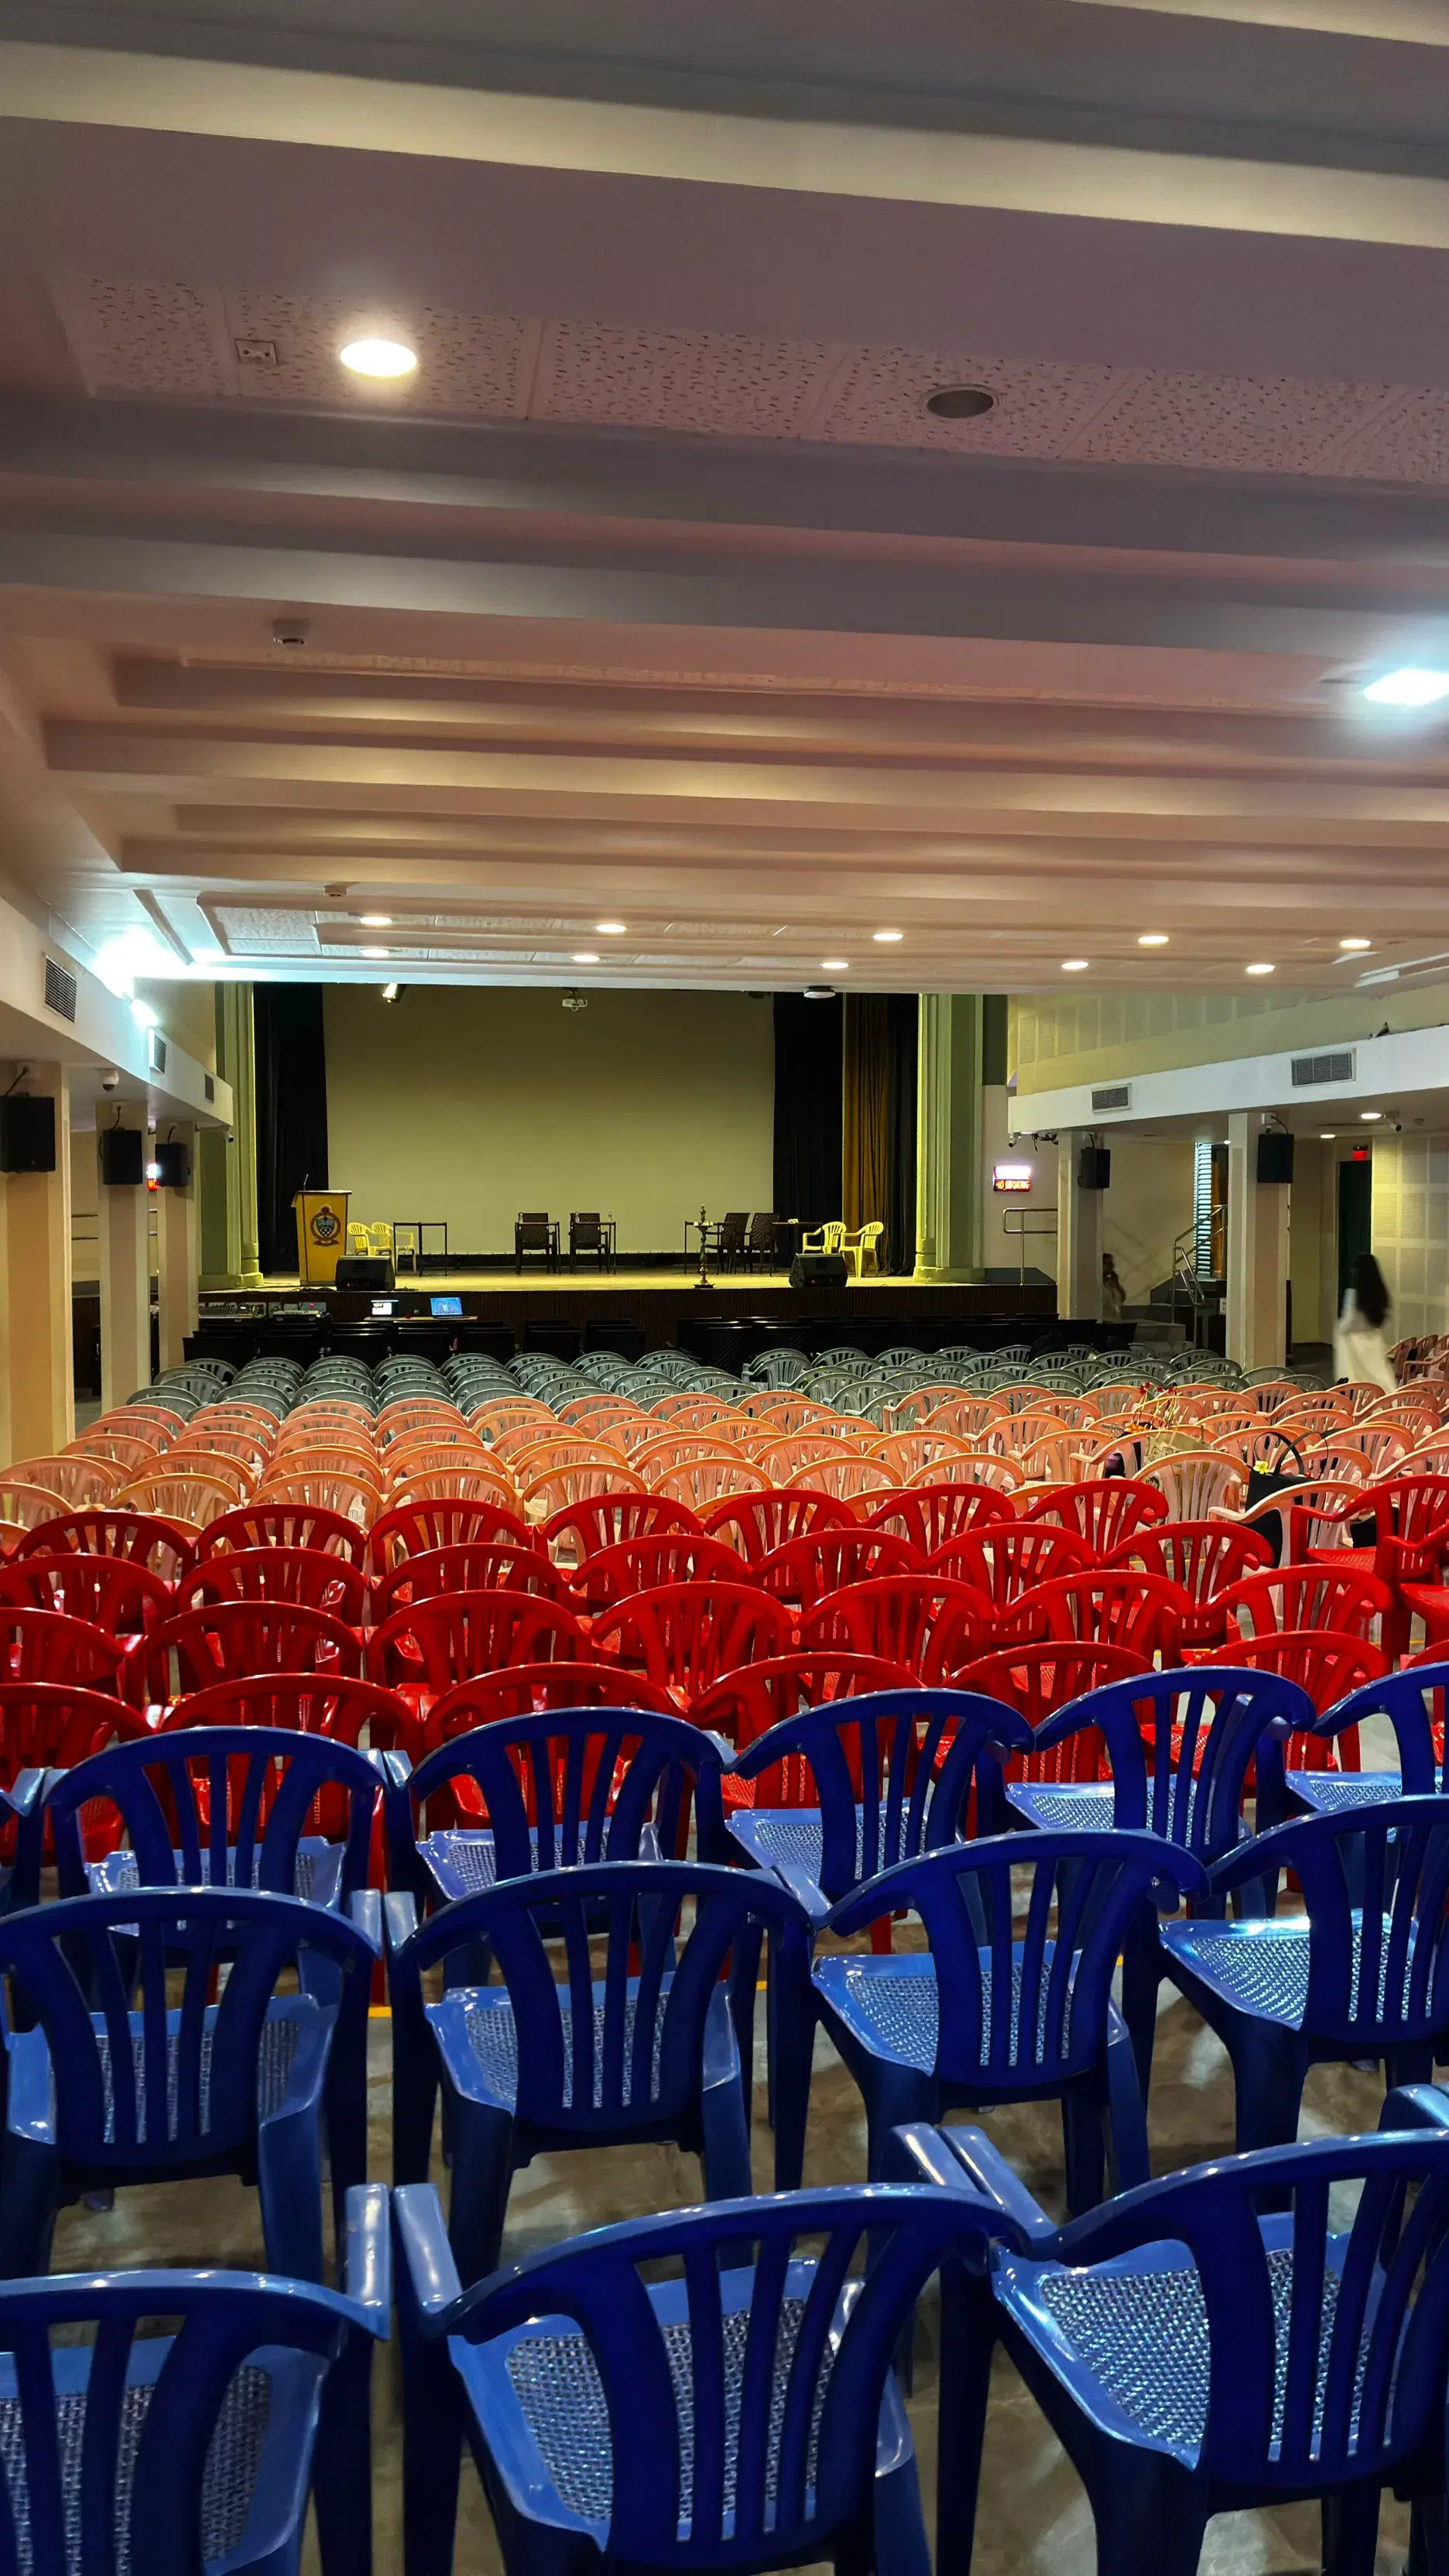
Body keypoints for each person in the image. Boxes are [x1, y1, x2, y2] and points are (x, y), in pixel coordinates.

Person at [1334, 1252, 1397, 1392]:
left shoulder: (1353, 1294)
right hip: (1375, 1340)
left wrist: (1338, 1330)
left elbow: (1349, 1322)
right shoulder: (1380, 1293)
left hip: (1355, 1344)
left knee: (1357, 1382)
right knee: (1379, 1378)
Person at [1101, 1251, 1126, 1323]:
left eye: (1112, 1264)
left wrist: (1117, 1285)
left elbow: (1122, 1298)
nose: (1111, 1266)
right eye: (1108, 1264)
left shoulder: (1112, 1283)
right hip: (1105, 1321)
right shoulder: (1099, 1286)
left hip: (1115, 1320)